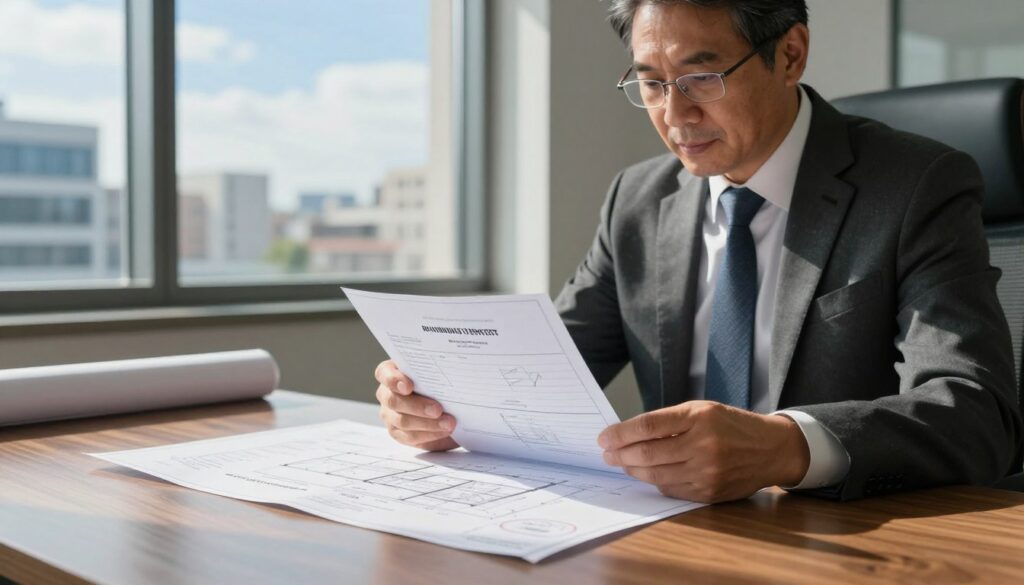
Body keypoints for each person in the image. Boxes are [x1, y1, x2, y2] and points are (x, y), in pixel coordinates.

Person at [373, 0, 1023, 502]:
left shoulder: (914, 185)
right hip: (674, 530)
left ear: (790, 54)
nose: (674, 114)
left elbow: (975, 410)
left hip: (842, 537)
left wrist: (786, 445)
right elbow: (547, 366)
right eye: (651, 83)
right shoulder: (636, 198)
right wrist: (439, 403)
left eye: (701, 76)